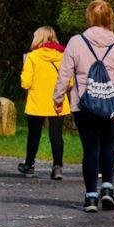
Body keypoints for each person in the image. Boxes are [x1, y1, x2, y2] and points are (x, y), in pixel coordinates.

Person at [54, 0, 114, 213]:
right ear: (110, 18)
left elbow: (65, 73)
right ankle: (107, 189)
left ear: (89, 18)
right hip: (111, 103)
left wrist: (58, 98)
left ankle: (91, 196)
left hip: (84, 104)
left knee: (90, 148)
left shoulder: (76, 42)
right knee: (108, 145)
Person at [19, 26, 69, 180]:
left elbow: (25, 83)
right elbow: (70, 82)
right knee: (56, 135)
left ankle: (29, 166)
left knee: (34, 135)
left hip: (37, 101)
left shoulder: (33, 57)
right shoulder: (63, 56)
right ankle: (57, 167)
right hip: (57, 102)